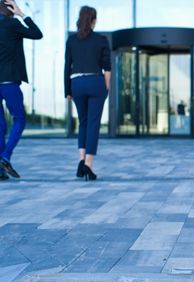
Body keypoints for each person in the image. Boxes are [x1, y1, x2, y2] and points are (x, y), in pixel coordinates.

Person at [64, 5, 111, 181]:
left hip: (76, 83)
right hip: (95, 82)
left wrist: (67, 90)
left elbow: (66, 66)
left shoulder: (71, 40)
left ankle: (81, 160)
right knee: (93, 124)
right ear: (93, 21)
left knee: (83, 122)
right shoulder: (101, 39)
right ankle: (88, 165)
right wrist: (106, 88)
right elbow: (107, 67)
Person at [0, 0, 43, 180]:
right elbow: (37, 34)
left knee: (0, 125)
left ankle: (1, 171)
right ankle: (5, 157)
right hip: (9, 82)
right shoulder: (13, 24)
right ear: (10, 9)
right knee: (20, 119)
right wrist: (22, 14)